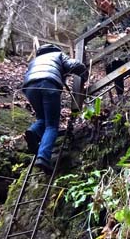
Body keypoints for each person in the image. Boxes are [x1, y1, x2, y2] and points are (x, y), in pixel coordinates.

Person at [22, 43, 88, 174]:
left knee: (42, 118)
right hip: (49, 84)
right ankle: (43, 157)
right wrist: (84, 76)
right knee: (51, 125)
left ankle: (33, 131)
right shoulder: (58, 55)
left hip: (29, 87)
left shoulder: (34, 61)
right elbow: (74, 65)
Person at [92, 0, 130, 97]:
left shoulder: (123, 11)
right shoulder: (101, 20)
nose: (103, 3)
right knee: (114, 65)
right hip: (113, 48)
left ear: (109, 0)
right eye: (100, 3)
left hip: (129, 44)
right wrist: (98, 28)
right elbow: (97, 34)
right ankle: (120, 96)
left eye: (104, 0)